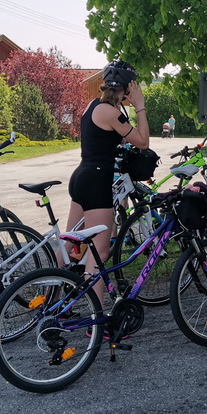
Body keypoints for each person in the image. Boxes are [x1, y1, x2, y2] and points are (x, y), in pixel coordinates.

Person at [67, 60, 150, 287]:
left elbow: (105, 137)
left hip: (80, 177)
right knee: (100, 252)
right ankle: (96, 309)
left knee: (68, 244)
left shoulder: (93, 105)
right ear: (128, 87)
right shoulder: (112, 113)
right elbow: (143, 142)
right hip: (96, 181)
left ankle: (50, 298)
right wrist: (140, 106)